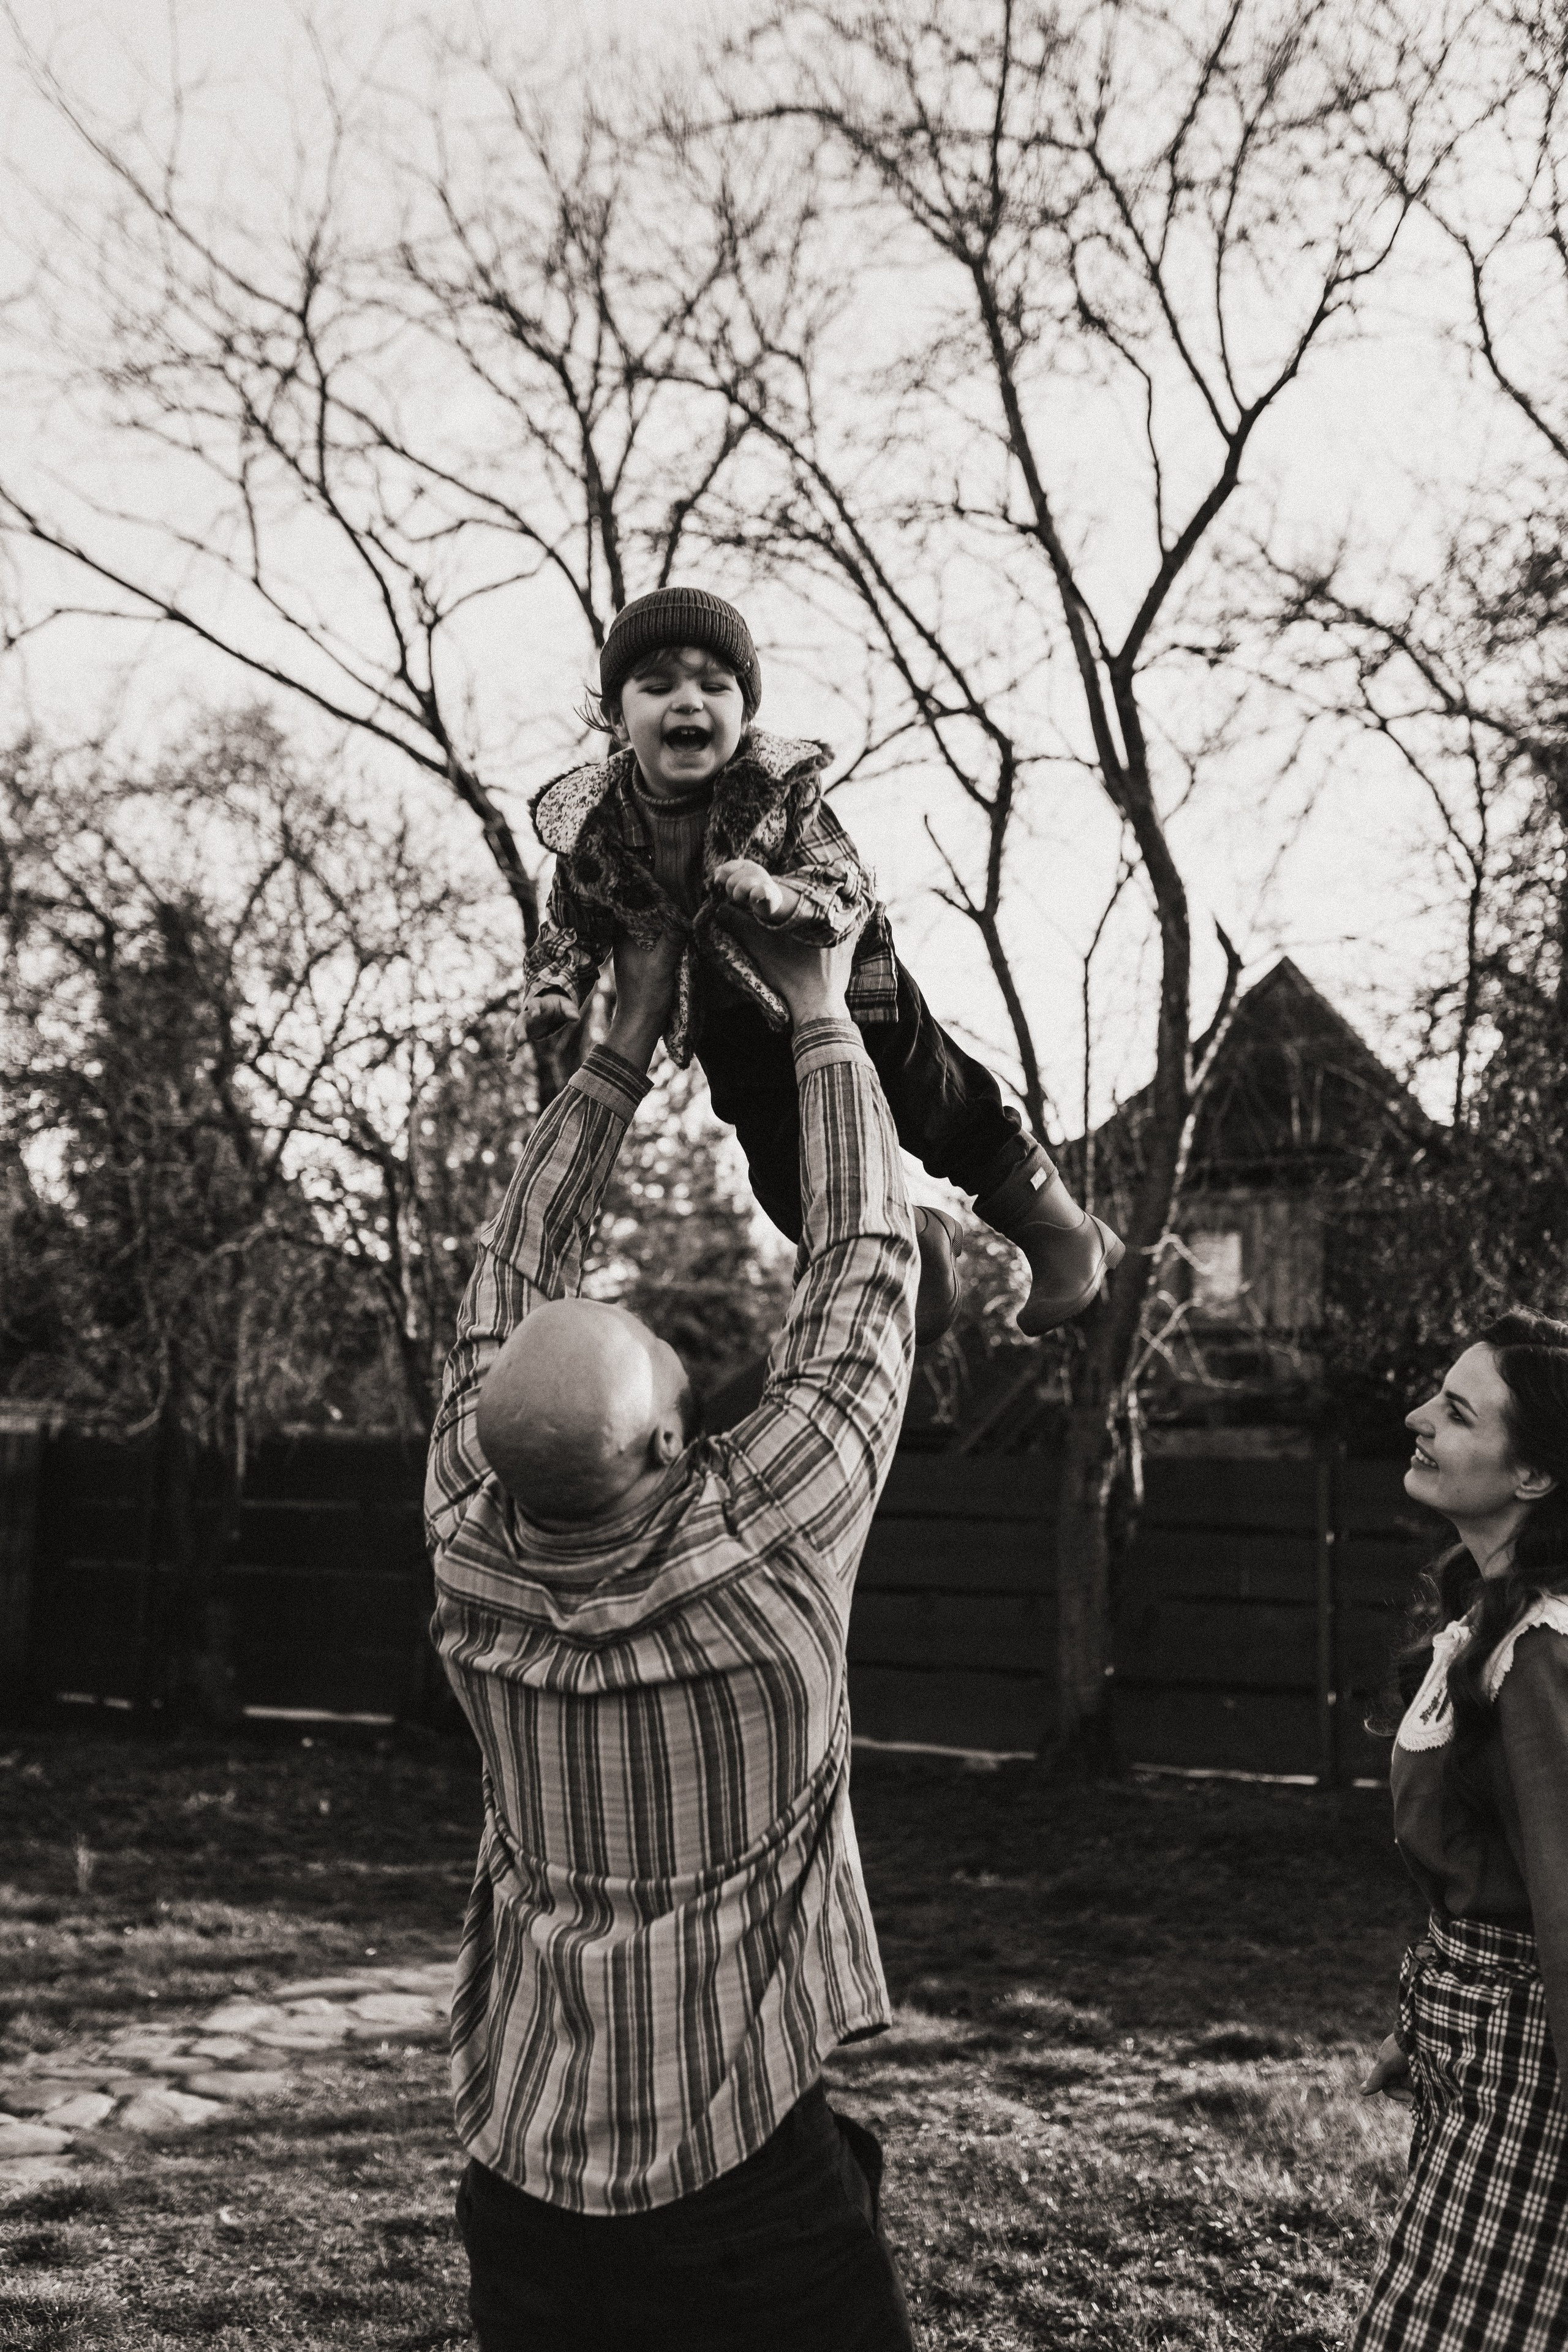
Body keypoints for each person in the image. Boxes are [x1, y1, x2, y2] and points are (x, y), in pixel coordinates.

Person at [425, 912, 922, 2350]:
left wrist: (615, 1042)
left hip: (520, 2169)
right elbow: (863, 1271)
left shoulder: (467, 1545)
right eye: (653, 1360)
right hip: (741, 2193)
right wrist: (822, 1008)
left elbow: (502, 1278)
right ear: (659, 1443)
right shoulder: (763, 1546)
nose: (648, 1331)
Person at [520, 584, 1122, 1346]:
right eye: (659, 685)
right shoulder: (600, 833)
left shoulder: (776, 793)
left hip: (853, 994)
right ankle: (913, 1241)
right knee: (783, 1173)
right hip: (734, 1031)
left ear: (745, 711)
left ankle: (1062, 1230)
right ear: (616, 715)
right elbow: (572, 921)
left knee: (937, 1102)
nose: (689, 703)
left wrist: (779, 897)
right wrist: (553, 986)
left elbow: (846, 884)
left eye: (715, 685)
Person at [1354, 1309, 1568, 2351]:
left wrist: (1509, 2042)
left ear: (1531, 1477)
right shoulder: (1490, 1625)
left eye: (1456, 1410)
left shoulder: (1543, 1658)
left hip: (1540, 2079)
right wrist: (1432, 2031)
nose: (1415, 1417)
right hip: (1486, 2054)